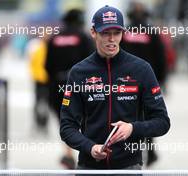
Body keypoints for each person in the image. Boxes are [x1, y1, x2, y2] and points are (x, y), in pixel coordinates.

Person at [60, 5, 170, 172]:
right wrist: (90, 147)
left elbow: (162, 122)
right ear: (93, 32)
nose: (111, 39)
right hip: (88, 167)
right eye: (105, 33)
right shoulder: (79, 72)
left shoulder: (141, 69)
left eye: (116, 33)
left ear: (123, 33)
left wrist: (133, 128)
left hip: (128, 167)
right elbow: (67, 127)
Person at [120, 2, 168, 167]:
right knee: (149, 115)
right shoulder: (152, 33)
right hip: (148, 80)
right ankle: (150, 149)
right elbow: (162, 59)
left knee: (129, 115)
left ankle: (133, 150)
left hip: (125, 82)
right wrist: (161, 81)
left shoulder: (124, 33)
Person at [45, 9, 94, 169]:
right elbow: (92, 62)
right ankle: (86, 151)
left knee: (64, 120)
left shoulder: (55, 38)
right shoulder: (83, 37)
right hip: (81, 86)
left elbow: (47, 66)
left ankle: (68, 153)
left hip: (58, 86)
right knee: (86, 118)